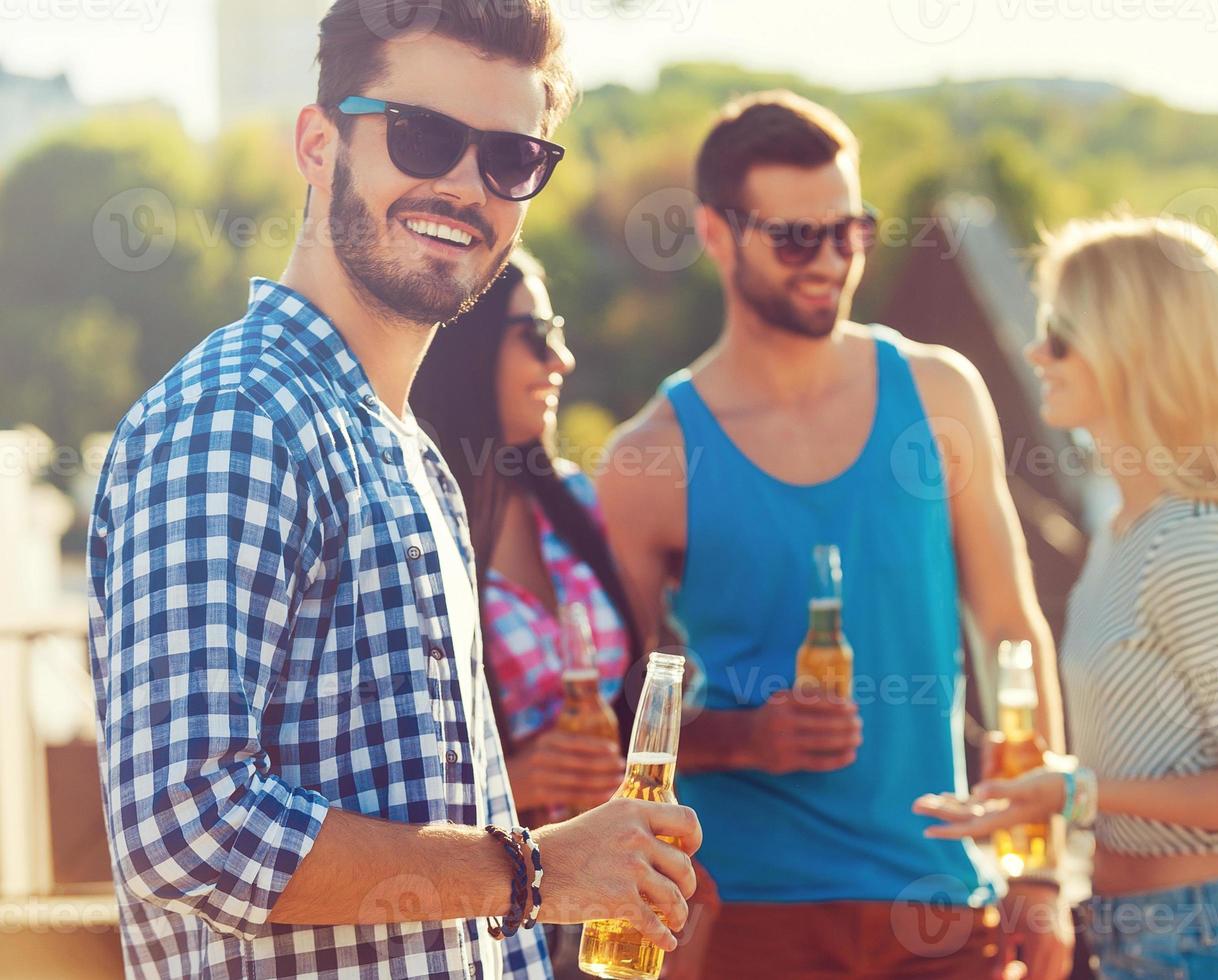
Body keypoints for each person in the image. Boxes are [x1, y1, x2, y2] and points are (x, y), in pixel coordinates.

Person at [85, 3, 699, 978]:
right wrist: (537, 869)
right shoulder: (237, 418)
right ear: (318, 144)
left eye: (510, 159)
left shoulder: (408, 452)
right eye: (422, 135)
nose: (463, 185)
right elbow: (190, 830)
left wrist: (529, 882)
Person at [597, 90, 1074, 979]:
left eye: (848, 231)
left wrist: (1037, 869)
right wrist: (745, 739)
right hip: (743, 914)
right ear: (713, 234)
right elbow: (609, 718)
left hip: (941, 900)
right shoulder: (646, 460)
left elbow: (1012, 629)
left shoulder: (939, 395)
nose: (829, 262)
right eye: (794, 237)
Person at [916, 215, 1218, 980]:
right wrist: (1045, 795)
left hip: (1203, 945)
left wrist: (1072, 792)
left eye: (1060, 337)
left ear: (1133, 350)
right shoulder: (1127, 528)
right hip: (1146, 938)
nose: (1035, 354)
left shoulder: (1193, 544)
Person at [410, 249, 637, 972]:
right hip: (495, 916)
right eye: (536, 335)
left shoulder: (576, 504)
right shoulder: (419, 525)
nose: (561, 358)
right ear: (469, 353)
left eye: (559, 331)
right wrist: (520, 774)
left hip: (611, 898)